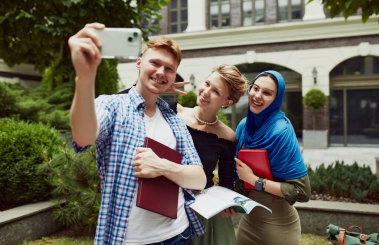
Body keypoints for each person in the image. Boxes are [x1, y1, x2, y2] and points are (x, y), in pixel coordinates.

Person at [68, 22, 207, 245]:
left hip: (178, 234)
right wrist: (84, 77)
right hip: (129, 239)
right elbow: (83, 136)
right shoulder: (113, 106)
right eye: (155, 63)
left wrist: (161, 165)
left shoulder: (174, 120)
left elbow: (199, 179)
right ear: (139, 63)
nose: (162, 72)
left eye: (169, 69)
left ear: (174, 76)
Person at [234, 70, 311, 245]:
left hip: (279, 227)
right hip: (249, 221)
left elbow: (302, 191)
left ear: (277, 99)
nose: (257, 96)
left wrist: (254, 180)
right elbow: (235, 175)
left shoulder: (281, 131)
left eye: (267, 93)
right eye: (255, 88)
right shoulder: (244, 126)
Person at [176, 64, 248, 245]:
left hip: (200, 211)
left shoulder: (227, 136)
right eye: (207, 83)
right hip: (166, 201)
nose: (206, 91)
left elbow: (225, 183)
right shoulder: (174, 113)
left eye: (215, 91)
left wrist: (229, 203)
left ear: (227, 102)